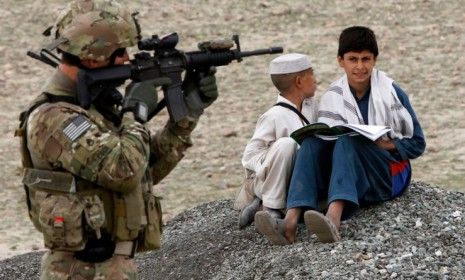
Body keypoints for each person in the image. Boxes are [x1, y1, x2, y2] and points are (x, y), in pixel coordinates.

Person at [15, 0, 218, 279]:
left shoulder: (96, 107)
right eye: (120, 51)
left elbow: (144, 172)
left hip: (110, 269)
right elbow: (124, 171)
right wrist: (136, 113)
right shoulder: (54, 118)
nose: (126, 59)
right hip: (81, 271)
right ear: (92, 56)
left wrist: (187, 115)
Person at [254, 26, 426, 245]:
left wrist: (386, 145)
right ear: (340, 61)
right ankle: (290, 220)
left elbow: (418, 144)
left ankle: (333, 219)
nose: (360, 67)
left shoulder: (391, 92)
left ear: (375, 60)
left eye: (366, 59)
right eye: (353, 59)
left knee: (347, 141)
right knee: (311, 144)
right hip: (351, 173)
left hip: (389, 175)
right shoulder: (333, 95)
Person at [236, 53, 318, 229]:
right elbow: (249, 156)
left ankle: (260, 203)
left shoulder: (312, 106)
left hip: (298, 178)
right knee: (286, 145)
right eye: (312, 74)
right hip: (266, 178)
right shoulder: (273, 116)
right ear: (299, 81)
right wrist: (274, 160)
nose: (315, 79)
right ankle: (269, 208)